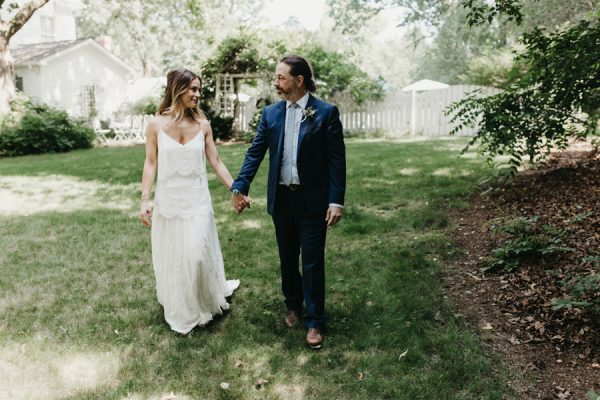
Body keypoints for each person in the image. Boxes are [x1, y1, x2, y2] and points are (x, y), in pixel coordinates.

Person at [230, 55, 346, 348]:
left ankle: (315, 321)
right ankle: (293, 305)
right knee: (287, 259)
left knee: (312, 261)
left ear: (299, 80)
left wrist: (336, 201)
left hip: (313, 202)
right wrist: (240, 185)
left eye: (281, 77)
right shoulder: (271, 114)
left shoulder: (325, 113)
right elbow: (255, 152)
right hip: (282, 201)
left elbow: (336, 161)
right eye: (276, 77)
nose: (275, 82)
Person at [139, 68, 240, 334]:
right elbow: (150, 164)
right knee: (175, 257)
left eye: (198, 89)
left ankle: (203, 300)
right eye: (193, 89)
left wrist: (235, 189)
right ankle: (182, 306)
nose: (198, 94)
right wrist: (144, 200)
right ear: (177, 89)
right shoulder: (155, 125)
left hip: (197, 200)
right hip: (169, 201)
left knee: (196, 255)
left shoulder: (203, 125)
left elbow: (216, 162)